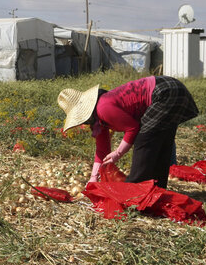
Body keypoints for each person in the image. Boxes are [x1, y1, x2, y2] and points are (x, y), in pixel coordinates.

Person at [58, 76, 198, 189]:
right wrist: (93, 178)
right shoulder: (98, 121)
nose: (83, 123)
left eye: (82, 119)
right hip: (171, 90)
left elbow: (133, 128)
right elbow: (102, 151)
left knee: (144, 140)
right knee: (160, 141)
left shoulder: (103, 107)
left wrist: (118, 153)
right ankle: (157, 189)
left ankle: (134, 190)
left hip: (166, 92)